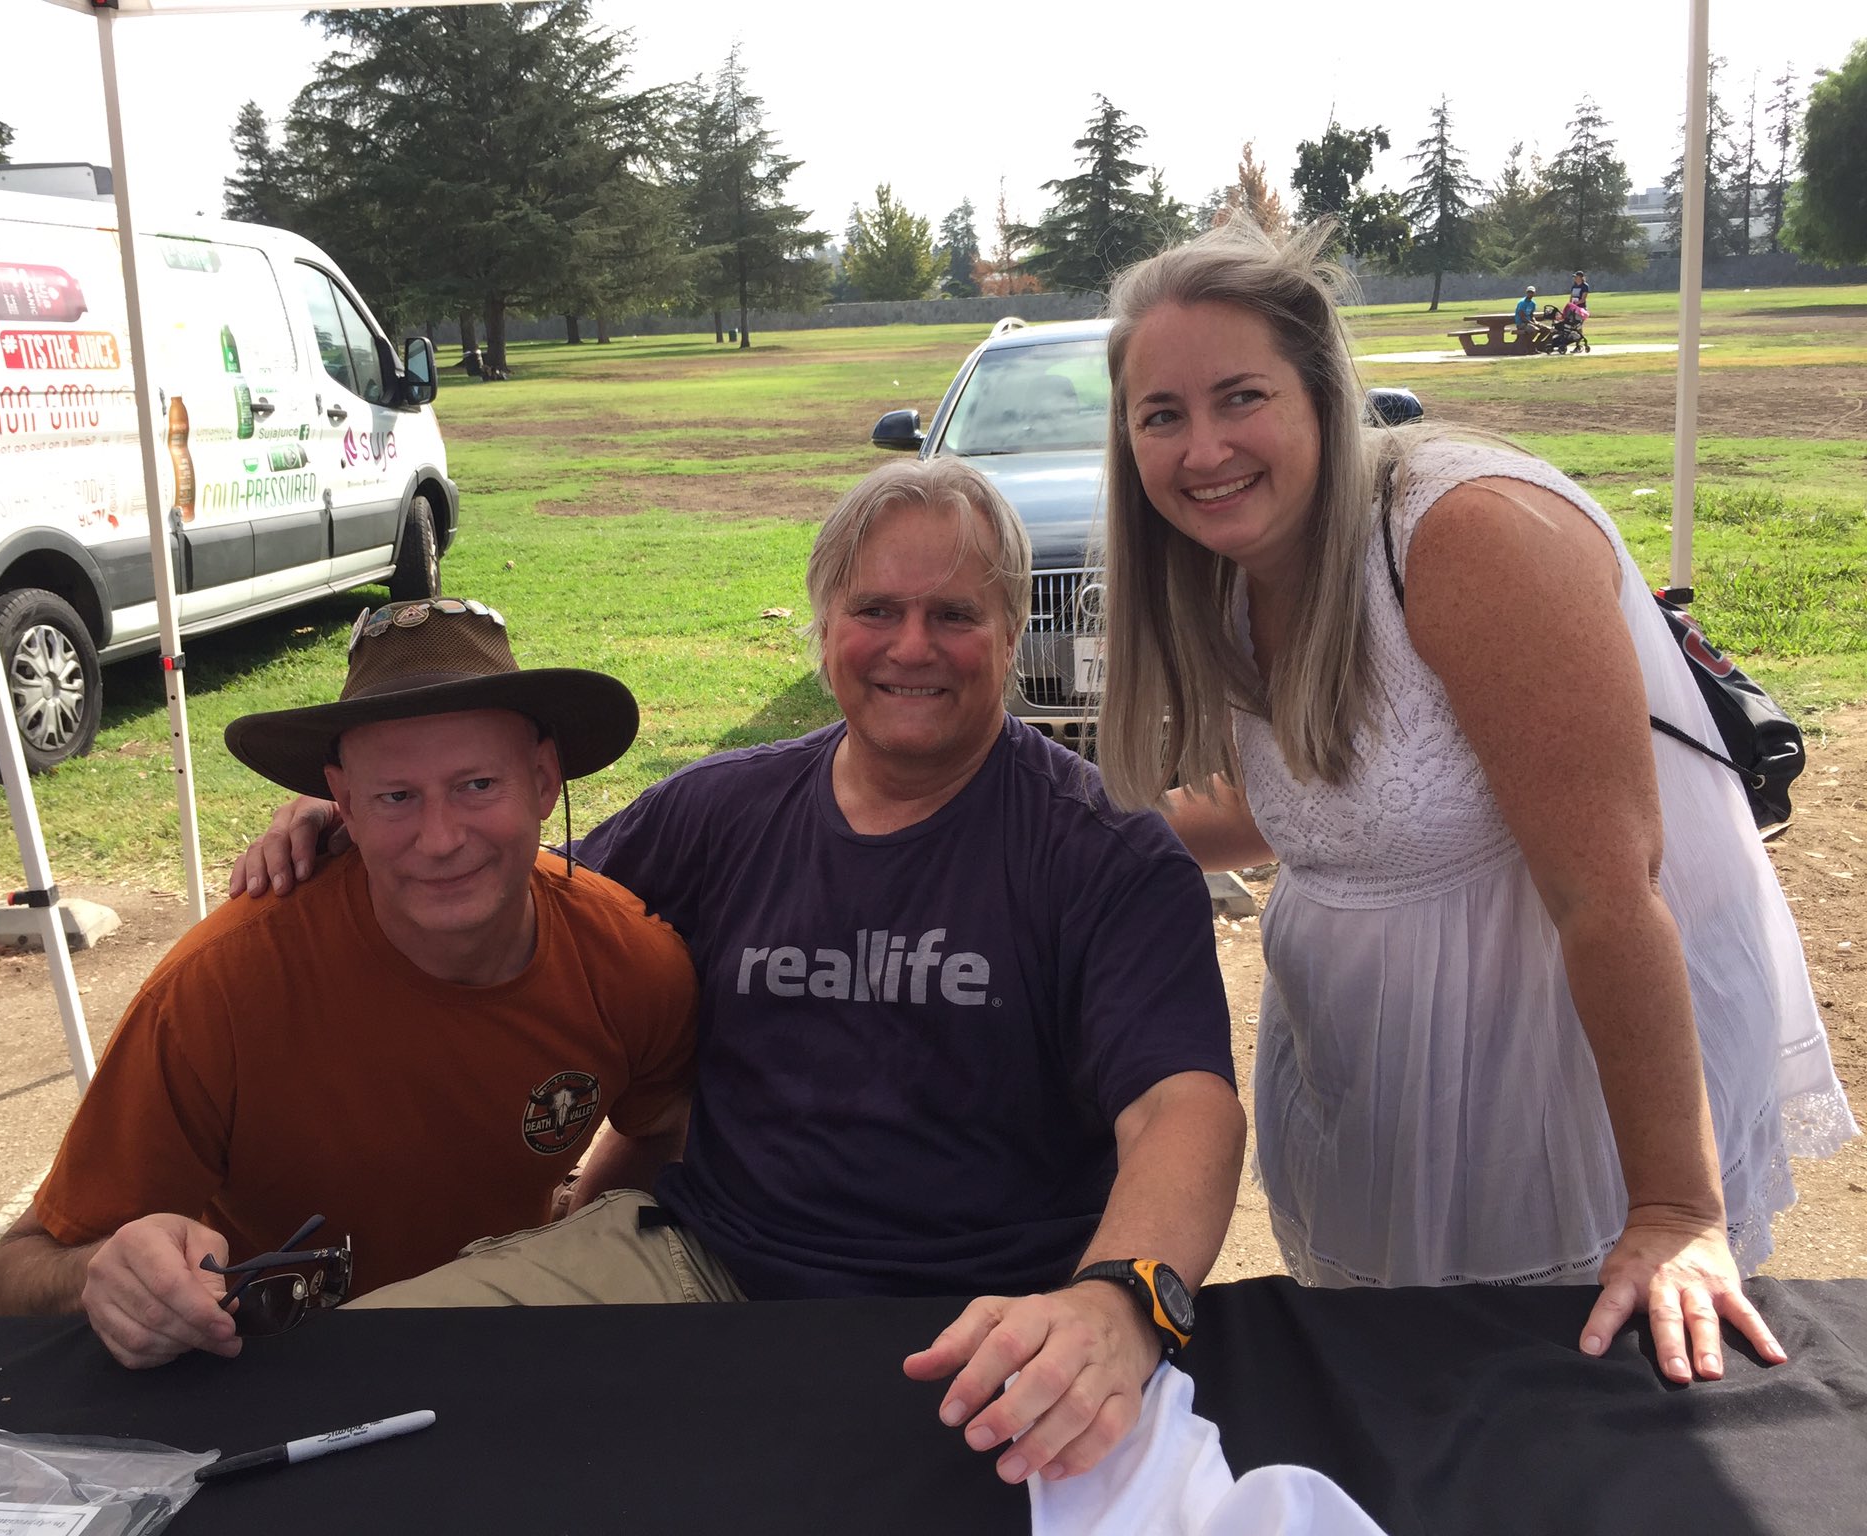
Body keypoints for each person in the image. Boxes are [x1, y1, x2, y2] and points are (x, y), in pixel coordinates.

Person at [233, 458, 1246, 1487]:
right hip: (698, 1264)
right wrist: (369, 824)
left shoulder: (1102, 853)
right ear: (821, 626)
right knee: (350, 1377)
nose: (910, 647)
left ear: (1013, 630)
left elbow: (1180, 1107)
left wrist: (1120, 1299)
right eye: (875, 610)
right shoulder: (719, 812)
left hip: (986, 1312)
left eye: (953, 614)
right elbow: (511, 903)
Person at [1092, 219, 1856, 1385]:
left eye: (1238, 397)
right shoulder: (1233, 575)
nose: (1202, 449)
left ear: (1321, 392)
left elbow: (1606, 892)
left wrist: (1669, 1210)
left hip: (1548, 1104)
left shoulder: (1457, 535)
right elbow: (1309, 805)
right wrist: (1049, 837)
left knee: (1564, 1438)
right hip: (1375, 1095)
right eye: (1162, 415)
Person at [0, 599, 698, 1369]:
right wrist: (107, 1276)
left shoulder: (630, 962)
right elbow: (15, 1272)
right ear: (342, 801)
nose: (442, 839)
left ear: (544, 781)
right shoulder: (220, 989)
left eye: (477, 784)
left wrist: (574, 1237)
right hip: (269, 1365)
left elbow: (660, 1127)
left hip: (498, 1349)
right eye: (396, 796)